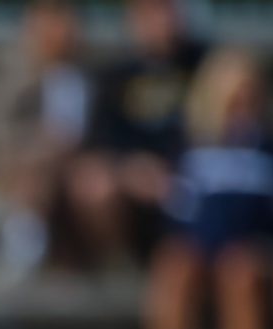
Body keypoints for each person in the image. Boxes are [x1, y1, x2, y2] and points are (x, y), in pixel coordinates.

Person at [142, 49, 273, 329]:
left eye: (248, 98)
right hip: (202, 243)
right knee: (174, 264)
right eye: (233, 100)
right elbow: (180, 207)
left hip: (254, 247)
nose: (241, 109)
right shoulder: (192, 149)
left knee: (240, 270)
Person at [67, 0, 207, 267]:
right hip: (133, 181)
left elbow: (218, 129)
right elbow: (99, 143)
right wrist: (131, 169)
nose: (161, 21)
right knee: (92, 183)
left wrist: (173, 169)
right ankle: (119, 265)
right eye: (150, 12)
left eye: (166, 10)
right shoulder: (114, 76)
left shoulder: (206, 66)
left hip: (191, 177)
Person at [0, 0, 91, 280]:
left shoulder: (90, 71)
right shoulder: (9, 68)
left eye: (66, 18)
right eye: (49, 18)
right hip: (19, 165)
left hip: (75, 168)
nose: (60, 28)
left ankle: (24, 246)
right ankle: (23, 244)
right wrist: (34, 144)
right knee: (34, 168)